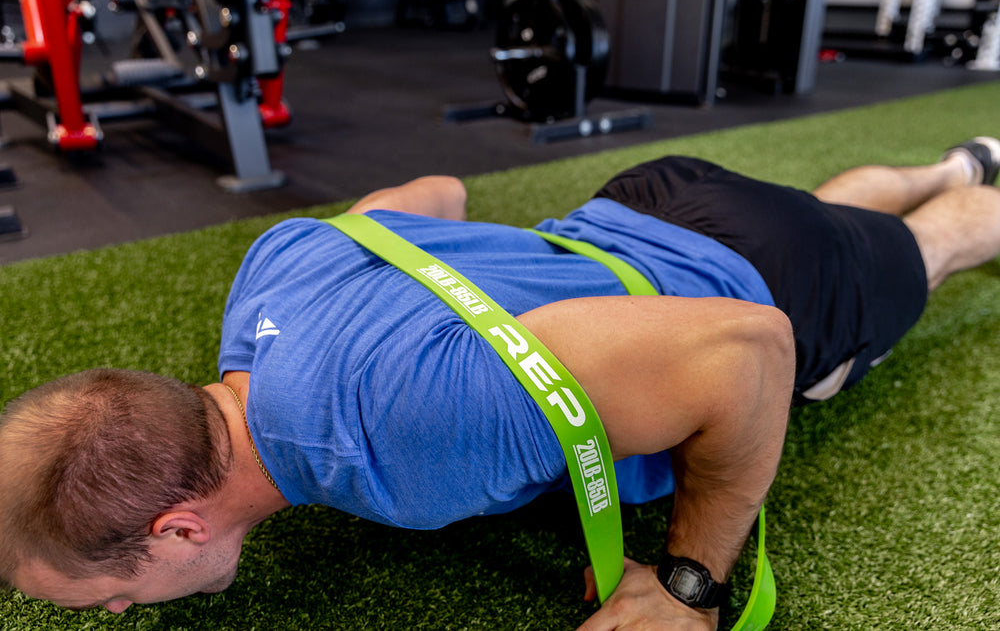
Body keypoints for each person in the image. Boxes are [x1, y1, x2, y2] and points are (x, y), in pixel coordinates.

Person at [3, 138, 1000, 630]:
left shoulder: (405, 442)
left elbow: (750, 348)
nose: (121, 616)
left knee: (939, 243)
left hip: (766, 282)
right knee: (837, 212)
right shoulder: (268, 278)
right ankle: (952, 159)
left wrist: (690, 584)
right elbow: (433, 197)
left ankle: (965, 193)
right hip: (655, 198)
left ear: (178, 526)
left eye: (105, 601)